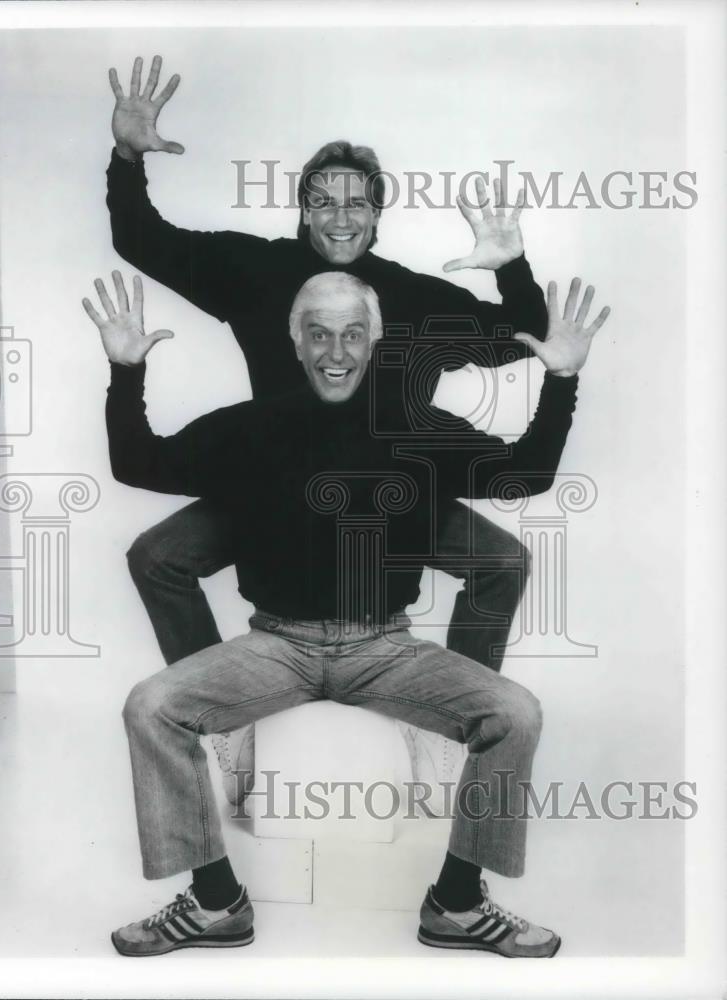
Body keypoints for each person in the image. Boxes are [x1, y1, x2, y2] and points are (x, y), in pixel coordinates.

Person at [83, 266, 609, 958]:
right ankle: (216, 903)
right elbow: (138, 463)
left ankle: (455, 903)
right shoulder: (251, 428)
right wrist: (125, 372)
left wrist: (562, 380)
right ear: (295, 342)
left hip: (384, 648)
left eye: (352, 335)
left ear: (376, 340)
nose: (336, 351)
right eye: (319, 334)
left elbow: (524, 474)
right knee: (150, 706)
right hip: (276, 646)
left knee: (514, 713)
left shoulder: (415, 430)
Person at [105, 56, 552, 801]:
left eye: (355, 203)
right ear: (303, 210)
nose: (339, 215)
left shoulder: (412, 297)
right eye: (322, 200)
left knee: (499, 562)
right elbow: (142, 239)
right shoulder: (251, 270)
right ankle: (225, 720)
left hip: (391, 504)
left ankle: (446, 724)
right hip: (269, 496)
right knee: (157, 557)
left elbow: (524, 337)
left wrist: (511, 265)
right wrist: (125, 157)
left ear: (376, 214)